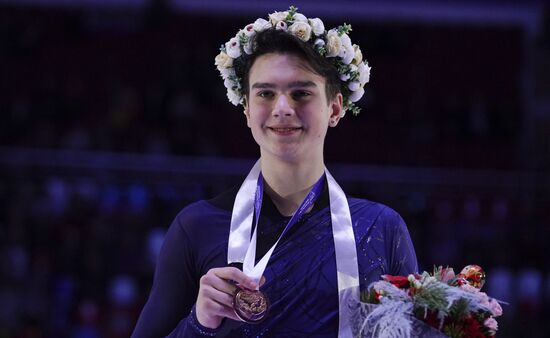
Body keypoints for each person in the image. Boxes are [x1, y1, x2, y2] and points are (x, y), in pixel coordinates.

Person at [132, 6, 418, 338]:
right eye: (266, 93)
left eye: (301, 93)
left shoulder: (381, 229)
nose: (283, 109)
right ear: (247, 110)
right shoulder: (196, 227)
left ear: (335, 108)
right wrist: (200, 320)